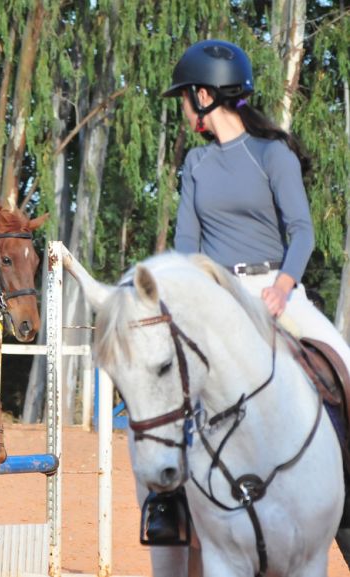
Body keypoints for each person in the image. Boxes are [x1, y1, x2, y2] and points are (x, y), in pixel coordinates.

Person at [156, 38, 350, 576]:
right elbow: (187, 246)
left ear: (203, 96)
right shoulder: (196, 163)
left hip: (276, 290)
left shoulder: (272, 154)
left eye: (184, 98)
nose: (183, 109)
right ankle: (166, 505)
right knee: (161, 391)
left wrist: (284, 286)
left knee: (344, 365)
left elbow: (302, 232)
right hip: (218, 299)